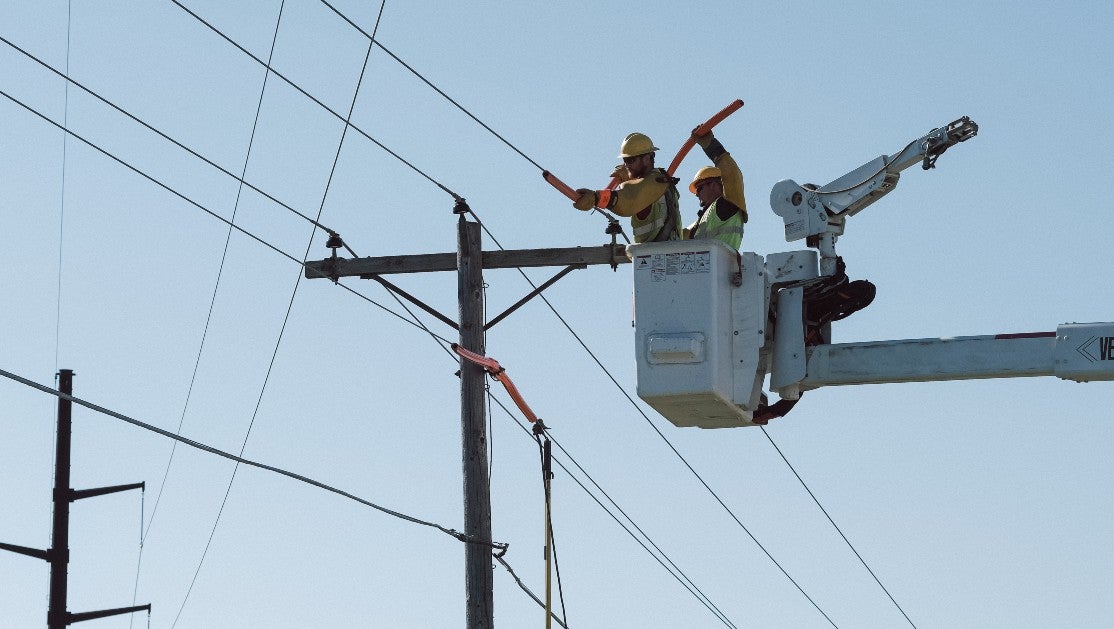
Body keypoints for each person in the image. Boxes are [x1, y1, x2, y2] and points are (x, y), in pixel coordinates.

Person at [573, 133, 682, 243]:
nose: (626, 165)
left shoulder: (655, 182)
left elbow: (628, 200)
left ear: (648, 158)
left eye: (631, 160)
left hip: (656, 253)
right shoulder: (661, 179)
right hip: (659, 254)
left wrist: (596, 198)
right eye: (625, 160)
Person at [684, 129, 747, 249]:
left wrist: (711, 145)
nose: (697, 194)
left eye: (700, 188)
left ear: (713, 185)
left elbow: (733, 175)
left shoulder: (725, 207)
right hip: (708, 266)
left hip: (717, 265)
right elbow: (681, 235)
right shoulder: (706, 217)